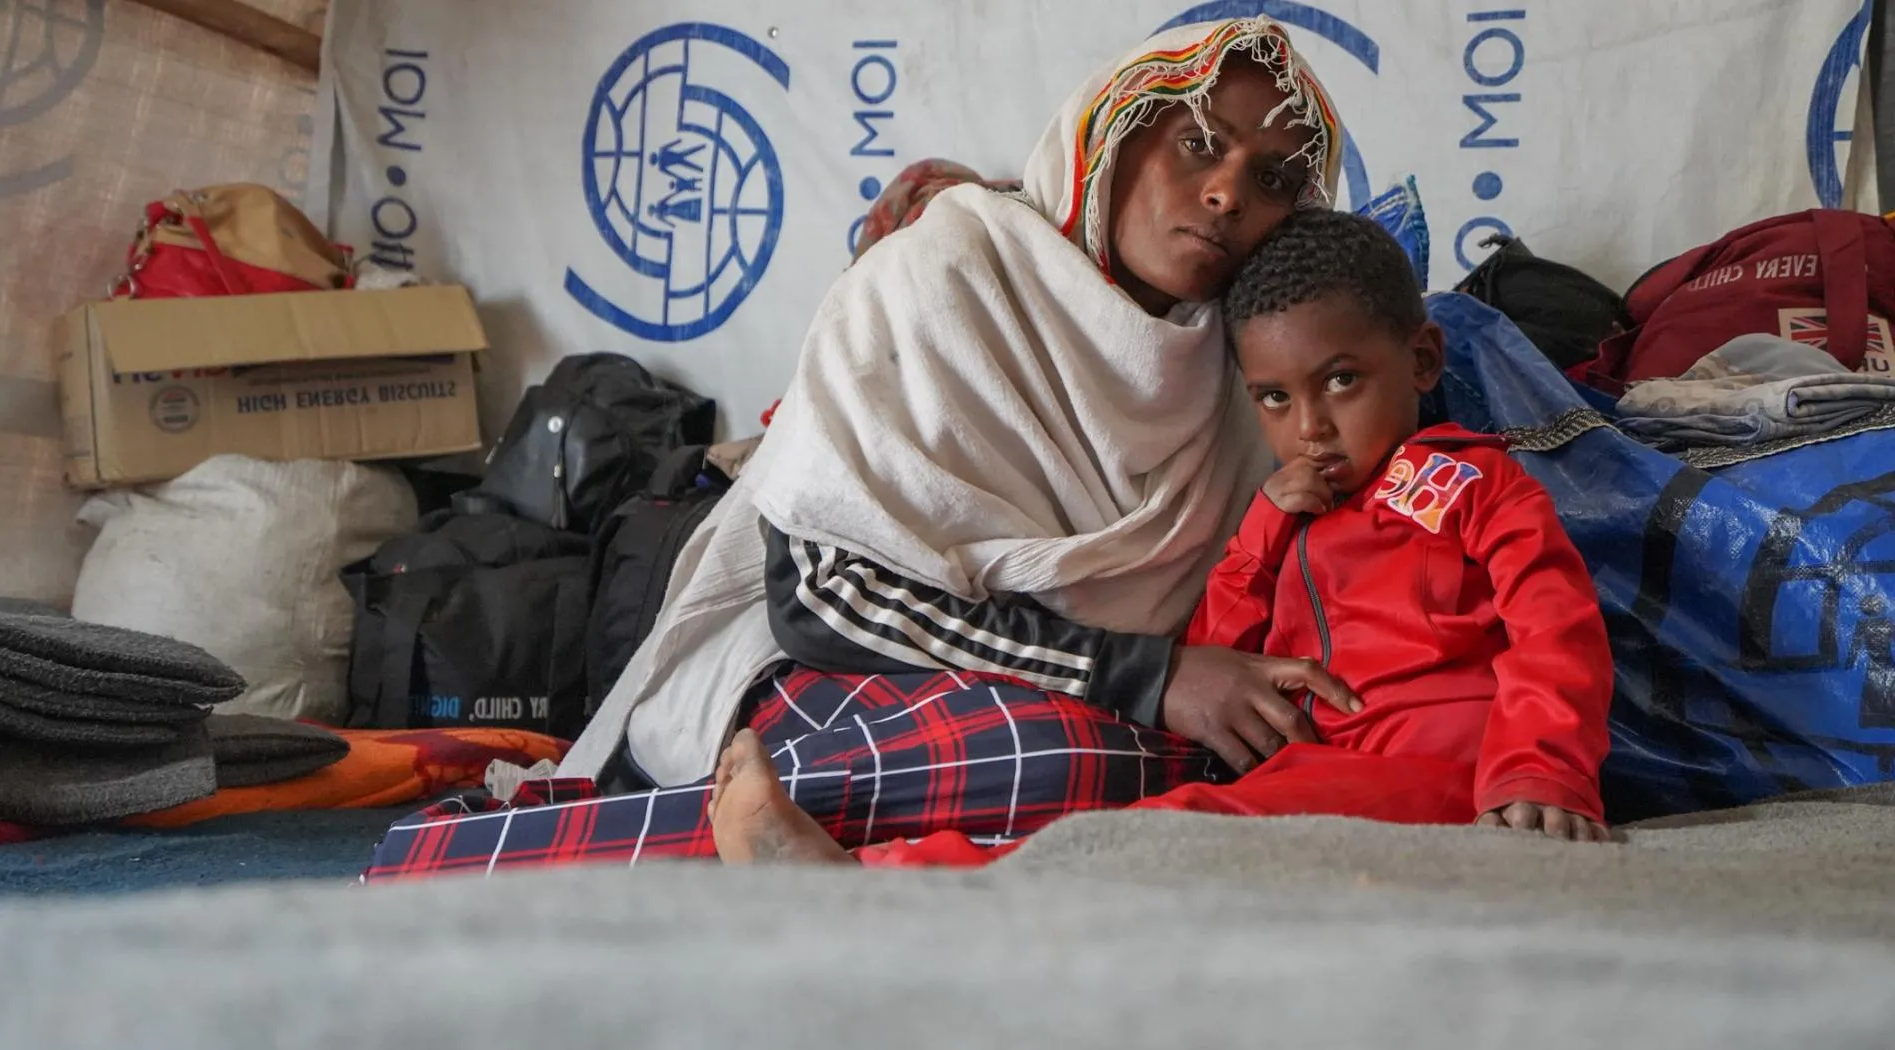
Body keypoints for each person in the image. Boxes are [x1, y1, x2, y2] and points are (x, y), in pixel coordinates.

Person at [364, 18, 1355, 880]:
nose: (1227, 193)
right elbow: (825, 600)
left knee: (1205, 772)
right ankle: (529, 850)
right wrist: (1153, 676)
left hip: (1089, 694)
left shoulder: (1237, 369)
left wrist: (1200, 686)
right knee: (1055, 763)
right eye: (1198, 143)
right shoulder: (941, 274)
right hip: (841, 667)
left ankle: (829, 865)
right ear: (1114, 135)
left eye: (1268, 179)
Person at [704, 209, 1617, 868]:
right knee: (1157, 827)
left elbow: (1556, 626)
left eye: (1341, 382)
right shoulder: (1284, 509)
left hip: (1447, 771)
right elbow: (1219, 645)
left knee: (1174, 834)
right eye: (1274, 398)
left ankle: (873, 887)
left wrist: (1537, 774)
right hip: (1323, 764)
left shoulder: (1466, 483)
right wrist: (1264, 529)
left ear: (1419, 362)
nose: (1310, 427)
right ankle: (887, 879)